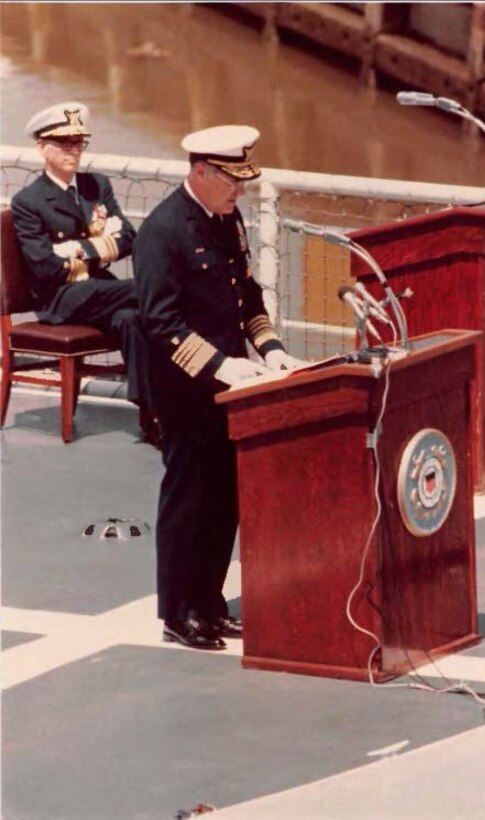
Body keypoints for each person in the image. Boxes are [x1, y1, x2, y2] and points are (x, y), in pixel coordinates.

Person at [133, 124, 301, 650]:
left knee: (225, 494)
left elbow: (246, 295)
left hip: (232, 382)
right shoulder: (162, 232)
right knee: (188, 495)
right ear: (201, 172)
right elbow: (159, 321)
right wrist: (221, 366)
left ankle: (209, 602)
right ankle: (178, 612)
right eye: (232, 181)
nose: (241, 191)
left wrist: (270, 350)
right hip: (184, 387)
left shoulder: (227, 222)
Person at [11, 101, 158, 444]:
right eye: (64, 144)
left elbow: (128, 239)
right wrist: (98, 244)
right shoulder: (28, 202)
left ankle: (152, 416)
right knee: (151, 288)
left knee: (132, 319)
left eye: (78, 143)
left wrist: (76, 249)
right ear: (41, 147)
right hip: (60, 299)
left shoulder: (97, 187)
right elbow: (46, 267)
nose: (72, 151)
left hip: (98, 289)